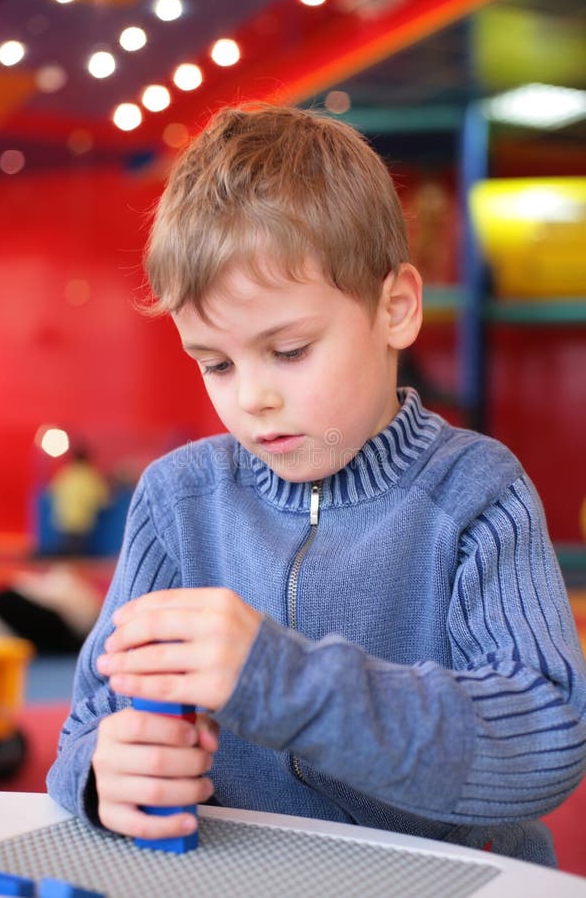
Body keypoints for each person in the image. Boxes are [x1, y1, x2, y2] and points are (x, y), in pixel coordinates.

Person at [47, 105, 586, 867]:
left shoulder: (476, 495)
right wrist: (107, 773)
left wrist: (279, 680)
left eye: (290, 350)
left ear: (395, 307)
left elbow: (548, 735)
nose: (253, 398)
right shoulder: (177, 503)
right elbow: (85, 730)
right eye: (217, 364)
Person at [47, 445, 109, 556]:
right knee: (78, 555)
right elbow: (102, 501)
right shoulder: (91, 476)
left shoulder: (66, 473)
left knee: (66, 553)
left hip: (64, 521)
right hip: (82, 523)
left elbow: (51, 492)